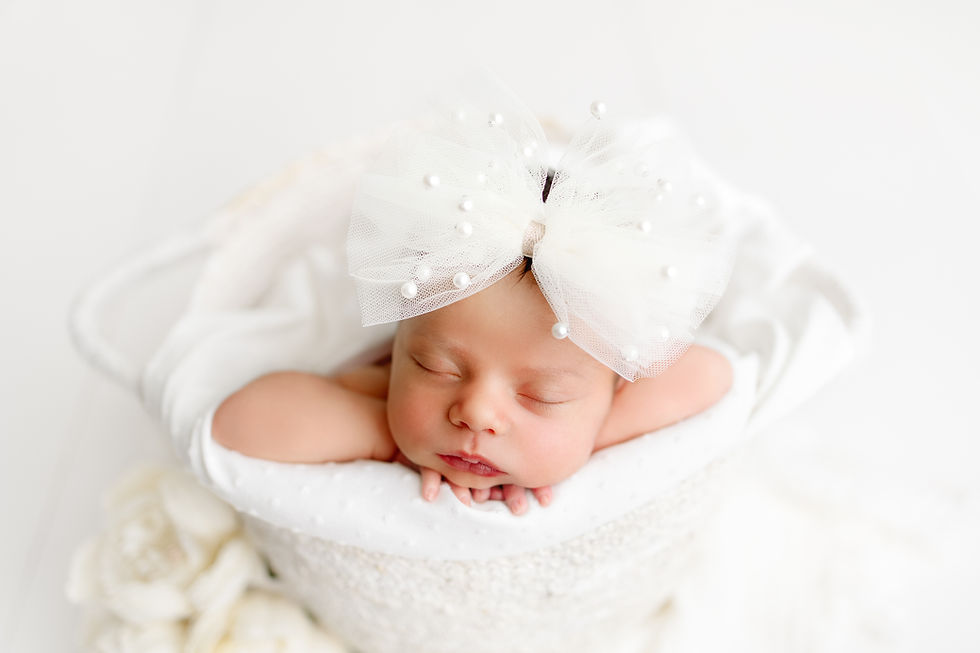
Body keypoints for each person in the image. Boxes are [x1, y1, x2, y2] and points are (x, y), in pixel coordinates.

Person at [212, 87, 736, 515]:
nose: (476, 412)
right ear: (399, 339)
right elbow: (235, 424)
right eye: (435, 367)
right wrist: (386, 437)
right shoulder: (376, 392)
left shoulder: (607, 385)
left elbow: (711, 374)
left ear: (620, 384)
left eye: (543, 396)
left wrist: (583, 439)